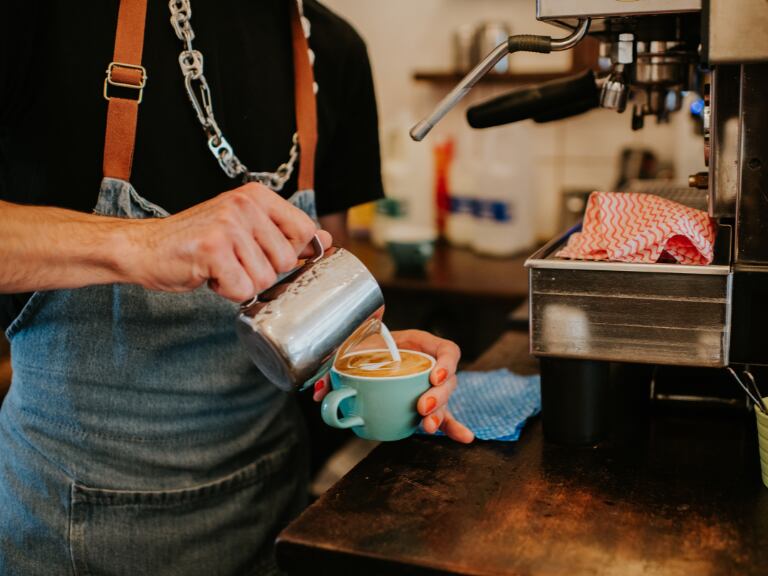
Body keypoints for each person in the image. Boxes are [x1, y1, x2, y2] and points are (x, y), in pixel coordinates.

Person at [0, 0, 473, 574]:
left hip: (274, 509)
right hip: (76, 526)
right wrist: (145, 243)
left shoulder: (334, 48)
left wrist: (367, 354)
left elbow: (319, 276)